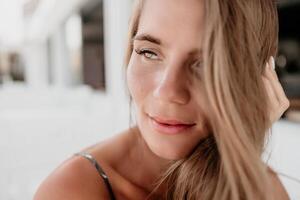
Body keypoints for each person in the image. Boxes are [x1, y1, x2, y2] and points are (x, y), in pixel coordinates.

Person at [33, 0, 293, 199]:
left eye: (206, 63)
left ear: (256, 78)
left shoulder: (260, 185)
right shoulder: (72, 190)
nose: (167, 91)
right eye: (149, 52)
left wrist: (240, 158)